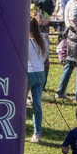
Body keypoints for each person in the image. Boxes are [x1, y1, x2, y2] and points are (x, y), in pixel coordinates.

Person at [27, 15, 48, 143]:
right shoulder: (43, 40)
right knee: (37, 104)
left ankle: (18, 129)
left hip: (29, 74)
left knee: (21, 103)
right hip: (41, 74)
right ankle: (37, 132)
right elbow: (44, 58)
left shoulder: (25, 42)